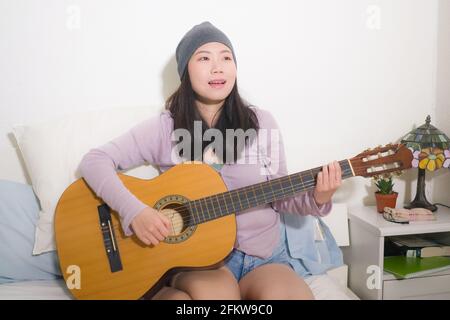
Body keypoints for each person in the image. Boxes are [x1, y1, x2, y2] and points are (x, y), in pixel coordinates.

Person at [79, 21, 342, 300]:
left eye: (226, 58)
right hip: (201, 262)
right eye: (204, 58)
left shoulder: (262, 123)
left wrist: (318, 197)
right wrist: (134, 212)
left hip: (262, 257)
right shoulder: (164, 128)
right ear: (185, 71)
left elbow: (281, 195)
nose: (218, 68)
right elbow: (95, 161)